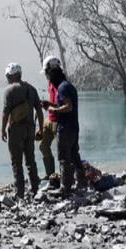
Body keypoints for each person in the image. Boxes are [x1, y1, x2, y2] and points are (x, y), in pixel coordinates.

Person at [43, 64, 86, 195]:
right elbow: (64, 104)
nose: (49, 80)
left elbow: (68, 106)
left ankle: (65, 188)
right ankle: (81, 183)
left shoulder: (62, 87)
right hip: (74, 126)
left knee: (63, 158)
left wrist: (53, 109)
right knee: (74, 155)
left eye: (49, 77)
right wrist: (51, 104)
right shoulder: (68, 86)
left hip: (65, 127)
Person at [1, 62, 42, 199]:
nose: (7, 79)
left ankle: (20, 193)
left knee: (16, 162)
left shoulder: (9, 90)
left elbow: (6, 113)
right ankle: (35, 189)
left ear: (11, 76)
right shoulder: (31, 88)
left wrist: (2, 130)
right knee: (31, 161)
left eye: (8, 76)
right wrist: (40, 129)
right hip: (30, 129)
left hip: (16, 130)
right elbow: (39, 111)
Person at [37, 55, 62, 189]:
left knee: (62, 151)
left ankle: (63, 177)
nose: (46, 75)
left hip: (58, 121)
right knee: (43, 146)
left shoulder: (61, 84)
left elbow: (61, 105)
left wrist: (48, 104)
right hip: (50, 119)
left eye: (46, 72)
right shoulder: (51, 83)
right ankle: (50, 174)